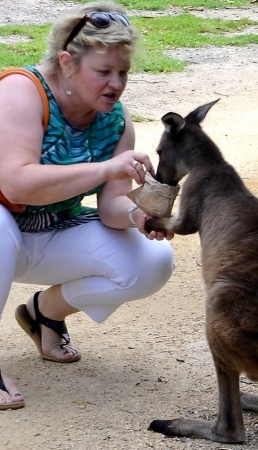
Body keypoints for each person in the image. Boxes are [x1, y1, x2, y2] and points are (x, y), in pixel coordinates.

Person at [0, 0, 175, 410]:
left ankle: (44, 314)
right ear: (67, 63)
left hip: (47, 234)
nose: (115, 84)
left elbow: (112, 204)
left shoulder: (114, 119)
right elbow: (17, 184)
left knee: (152, 261)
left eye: (123, 72)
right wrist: (104, 168)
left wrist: (138, 215)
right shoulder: (20, 91)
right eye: (104, 72)